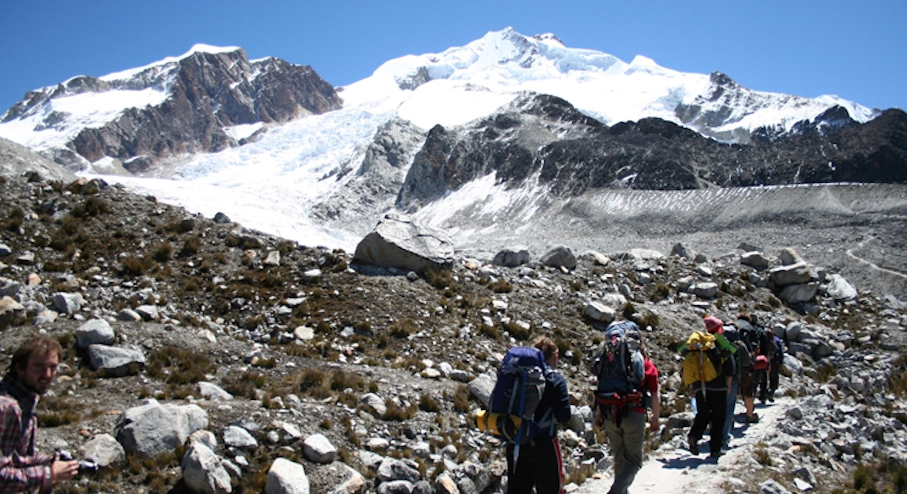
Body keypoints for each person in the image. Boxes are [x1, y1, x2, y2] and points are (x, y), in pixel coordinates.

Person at [0, 335, 80, 493]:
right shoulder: (8, 408)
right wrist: (50, 474)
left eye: (53, 367)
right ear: (20, 368)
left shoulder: (24, 403)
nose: (47, 374)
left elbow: (15, 457)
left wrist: (48, 461)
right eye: (39, 367)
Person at [595, 333, 660, 494]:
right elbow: (654, 394)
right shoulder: (646, 365)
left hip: (609, 413)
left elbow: (601, 387)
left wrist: (598, 416)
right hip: (633, 413)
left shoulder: (610, 364)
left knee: (619, 457)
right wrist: (655, 419)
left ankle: (621, 491)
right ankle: (616, 491)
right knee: (634, 461)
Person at [505, 336, 571, 494]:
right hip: (544, 447)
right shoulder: (555, 379)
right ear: (554, 357)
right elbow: (564, 417)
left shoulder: (517, 375)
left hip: (515, 443)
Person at [683, 315, 735, 458]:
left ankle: (694, 436)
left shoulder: (698, 345)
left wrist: (693, 386)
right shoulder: (719, 342)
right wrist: (728, 385)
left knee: (703, 413)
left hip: (700, 385)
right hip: (718, 386)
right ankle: (715, 449)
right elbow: (730, 367)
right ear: (718, 328)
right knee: (718, 417)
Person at [735, 313, 759, 423]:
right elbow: (755, 346)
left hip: (729, 361)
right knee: (748, 389)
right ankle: (750, 414)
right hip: (745, 361)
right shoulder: (751, 329)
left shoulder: (733, 327)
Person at [768, 326, 784, 402]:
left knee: (763, 378)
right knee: (774, 379)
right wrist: (780, 362)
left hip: (764, 360)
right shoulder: (777, 340)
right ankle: (771, 392)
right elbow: (780, 352)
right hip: (774, 361)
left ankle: (763, 394)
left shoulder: (763, 339)